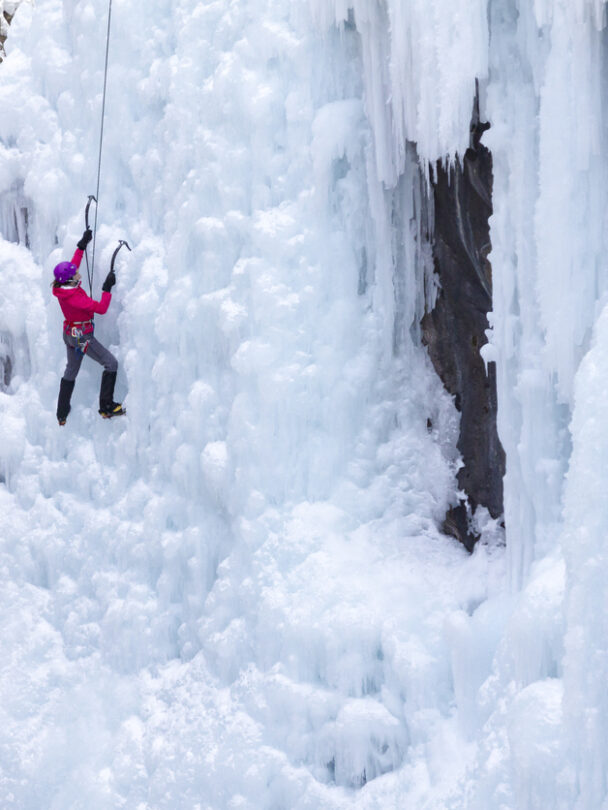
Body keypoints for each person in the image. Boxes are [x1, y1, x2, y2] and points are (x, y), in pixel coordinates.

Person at [52, 227, 125, 425]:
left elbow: (72, 266)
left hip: (69, 333)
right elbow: (101, 308)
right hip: (81, 336)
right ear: (69, 280)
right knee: (111, 363)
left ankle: (61, 414)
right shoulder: (75, 298)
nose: (79, 276)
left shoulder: (61, 288)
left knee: (71, 371)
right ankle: (106, 406)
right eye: (76, 276)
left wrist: (81, 246)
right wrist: (107, 288)